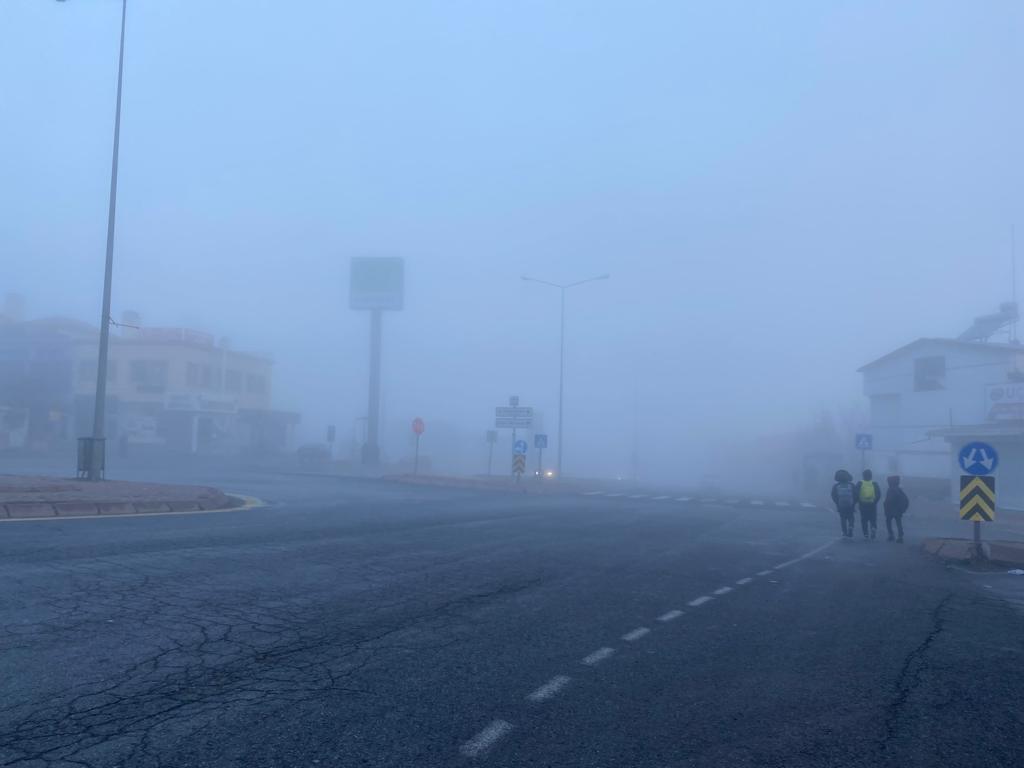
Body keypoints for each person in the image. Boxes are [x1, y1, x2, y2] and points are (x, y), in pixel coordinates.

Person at [855, 469, 882, 540]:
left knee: (864, 520)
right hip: (872, 504)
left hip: (863, 504)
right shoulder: (874, 483)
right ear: (871, 476)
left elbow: (855, 493)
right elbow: (879, 494)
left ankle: (866, 534)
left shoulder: (860, 483)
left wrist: (859, 501)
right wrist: (875, 501)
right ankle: (873, 528)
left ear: (863, 476)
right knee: (873, 519)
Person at [883, 475, 910, 543]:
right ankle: (900, 536)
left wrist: (885, 505)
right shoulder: (899, 489)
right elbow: (905, 499)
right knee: (898, 522)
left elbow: (889, 500)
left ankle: (891, 535)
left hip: (891, 510)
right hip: (898, 510)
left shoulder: (890, 489)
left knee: (888, 522)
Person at [831, 469, 856, 538]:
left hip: (841, 504)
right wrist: (854, 503)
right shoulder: (852, 485)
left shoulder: (836, 486)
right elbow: (856, 494)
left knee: (843, 518)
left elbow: (833, 495)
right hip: (850, 504)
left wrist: (837, 502)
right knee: (851, 516)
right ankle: (851, 526)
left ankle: (844, 532)